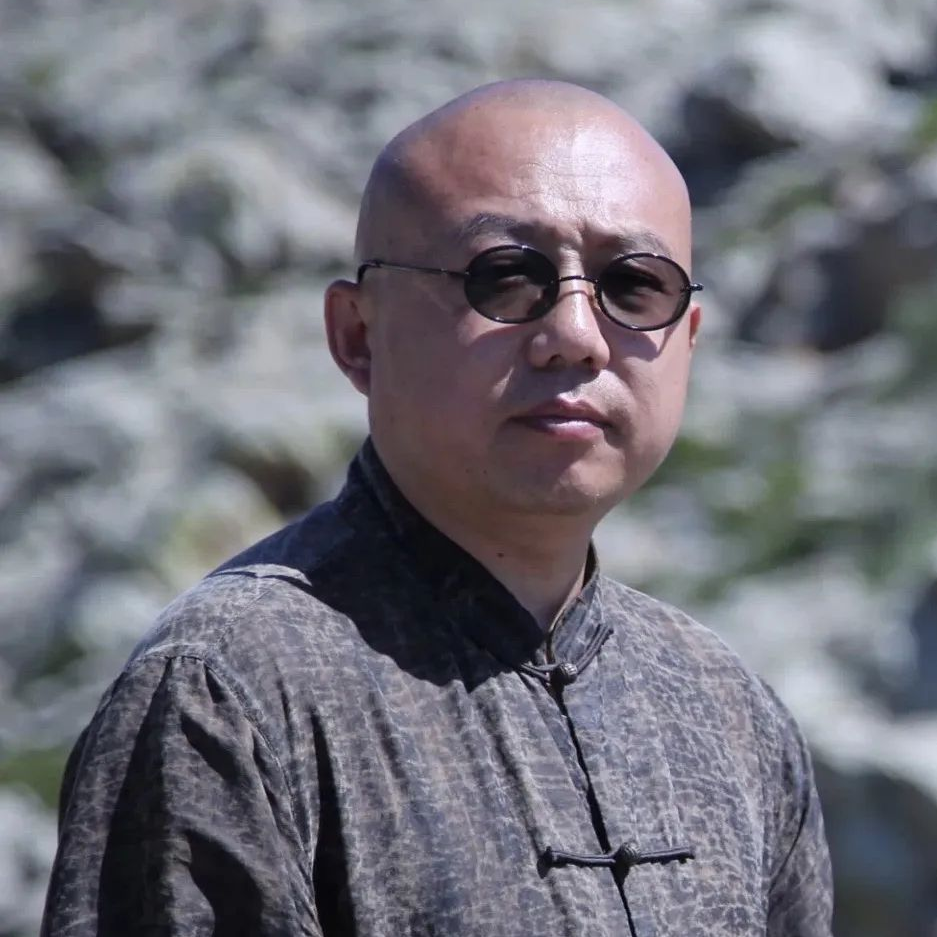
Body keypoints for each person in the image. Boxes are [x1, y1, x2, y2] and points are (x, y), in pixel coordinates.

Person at [41, 80, 833, 936]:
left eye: (633, 285)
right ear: (358, 335)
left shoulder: (725, 707)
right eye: (505, 277)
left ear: (688, 339)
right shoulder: (227, 689)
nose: (575, 334)